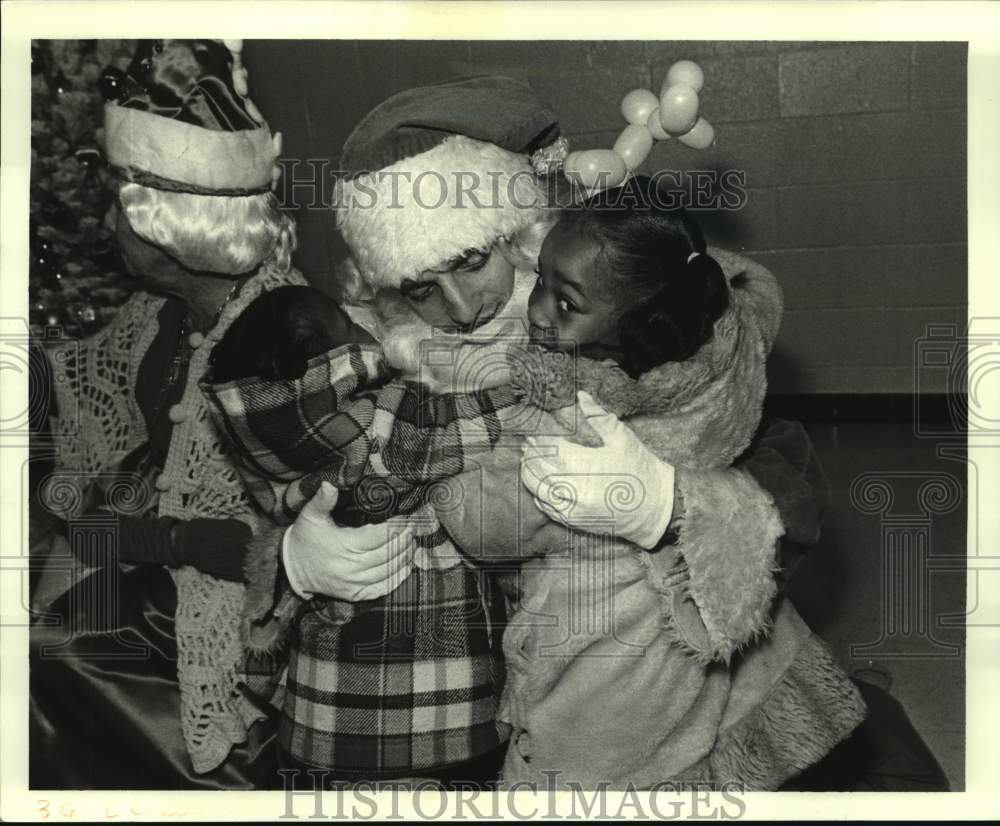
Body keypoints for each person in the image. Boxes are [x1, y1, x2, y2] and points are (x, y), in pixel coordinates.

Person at [234, 76, 863, 789]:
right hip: (451, 701)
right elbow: (250, 483)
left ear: (519, 231)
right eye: (419, 287)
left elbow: (789, 470)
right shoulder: (355, 358)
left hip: (629, 699)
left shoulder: (616, 305)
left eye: (473, 260)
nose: (463, 308)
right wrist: (289, 559)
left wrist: (669, 502)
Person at [27, 39, 410, 790]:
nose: (108, 222)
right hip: (149, 569)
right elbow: (79, 390)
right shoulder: (154, 316)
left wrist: (131, 535)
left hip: (240, 616)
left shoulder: (290, 338)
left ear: (162, 224)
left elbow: (292, 541)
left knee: (52, 657)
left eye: (119, 204)